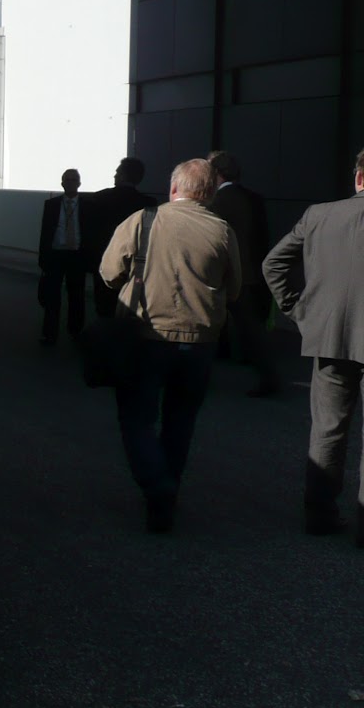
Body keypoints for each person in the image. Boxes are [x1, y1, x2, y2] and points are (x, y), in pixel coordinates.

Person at [99, 159, 241, 533]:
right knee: (181, 420)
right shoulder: (223, 231)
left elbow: (109, 271)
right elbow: (236, 287)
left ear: (174, 188)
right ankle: (167, 494)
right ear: (209, 193)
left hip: (147, 336)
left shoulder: (143, 220)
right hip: (201, 341)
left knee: (137, 418)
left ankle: (156, 486)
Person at [261, 149, 364, 542]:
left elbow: (273, 264)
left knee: (328, 429)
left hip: (330, 337)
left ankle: (319, 516)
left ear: (358, 178)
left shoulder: (319, 215)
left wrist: (299, 310)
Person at [207, 150, 280, 397]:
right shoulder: (254, 198)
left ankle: (269, 378)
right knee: (251, 327)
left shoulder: (217, 201)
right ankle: (266, 374)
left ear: (216, 173)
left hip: (230, 273)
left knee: (217, 322)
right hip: (252, 271)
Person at [87, 157, 155, 318]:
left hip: (105, 260)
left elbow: (92, 233)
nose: (114, 176)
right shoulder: (149, 203)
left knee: (104, 309)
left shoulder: (99, 198)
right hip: (137, 264)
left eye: (117, 172)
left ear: (122, 175)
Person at [37, 169, 94, 344]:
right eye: (67, 180)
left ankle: (75, 331)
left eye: (73, 180)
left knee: (76, 296)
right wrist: (43, 258)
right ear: (62, 183)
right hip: (56, 255)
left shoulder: (87, 205)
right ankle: (49, 333)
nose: (70, 183)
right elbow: (45, 233)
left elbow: (91, 233)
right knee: (52, 297)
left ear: (79, 183)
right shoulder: (51, 204)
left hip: (77, 255)